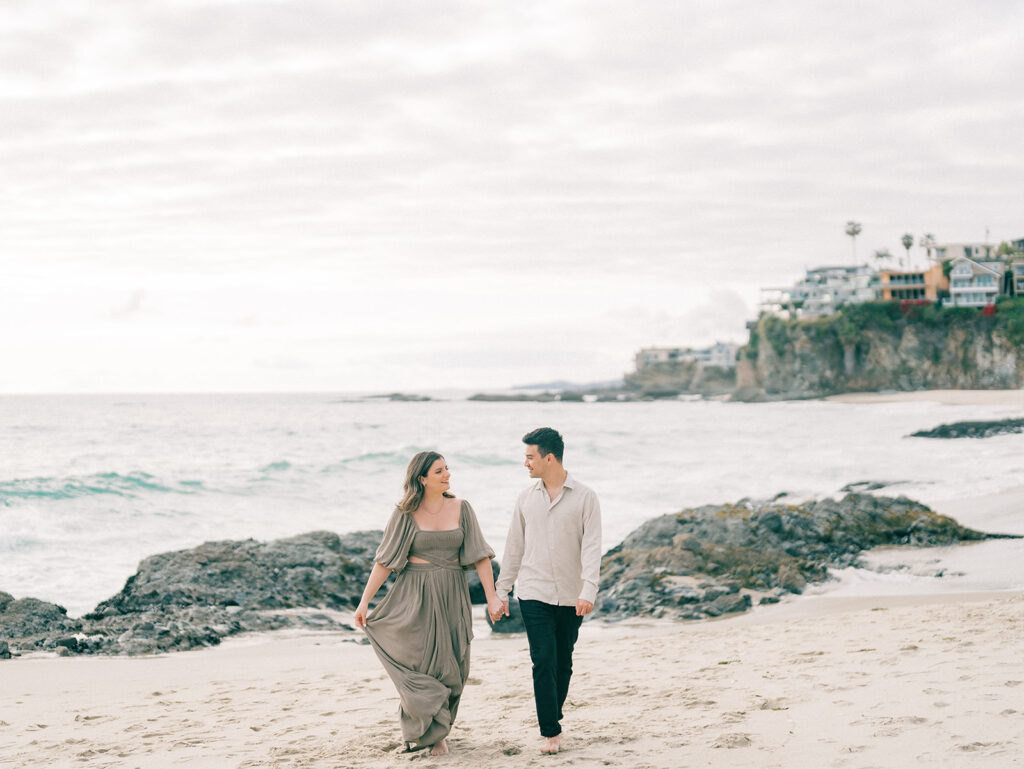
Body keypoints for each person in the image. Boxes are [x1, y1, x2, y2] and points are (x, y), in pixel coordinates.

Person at [354, 451, 502, 756]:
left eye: (447, 469)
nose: (447, 474)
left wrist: (492, 598)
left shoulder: (462, 508)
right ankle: (434, 736)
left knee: (454, 666)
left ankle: (436, 727)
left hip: (453, 592)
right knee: (422, 664)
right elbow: (384, 562)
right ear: (421, 478)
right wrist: (364, 603)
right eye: (438, 471)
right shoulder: (405, 513)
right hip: (415, 593)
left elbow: (480, 556)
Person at [491, 427, 602, 755]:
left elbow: (592, 547)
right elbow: (514, 546)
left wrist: (589, 589)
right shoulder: (525, 498)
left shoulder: (585, 497)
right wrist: (502, 590)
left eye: (530, 456)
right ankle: (550, 730)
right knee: (542, 659)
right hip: (533, 592)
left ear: (548, 458)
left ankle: (553, 714)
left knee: (563, 662)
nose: (525, 463)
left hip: (571, 595)